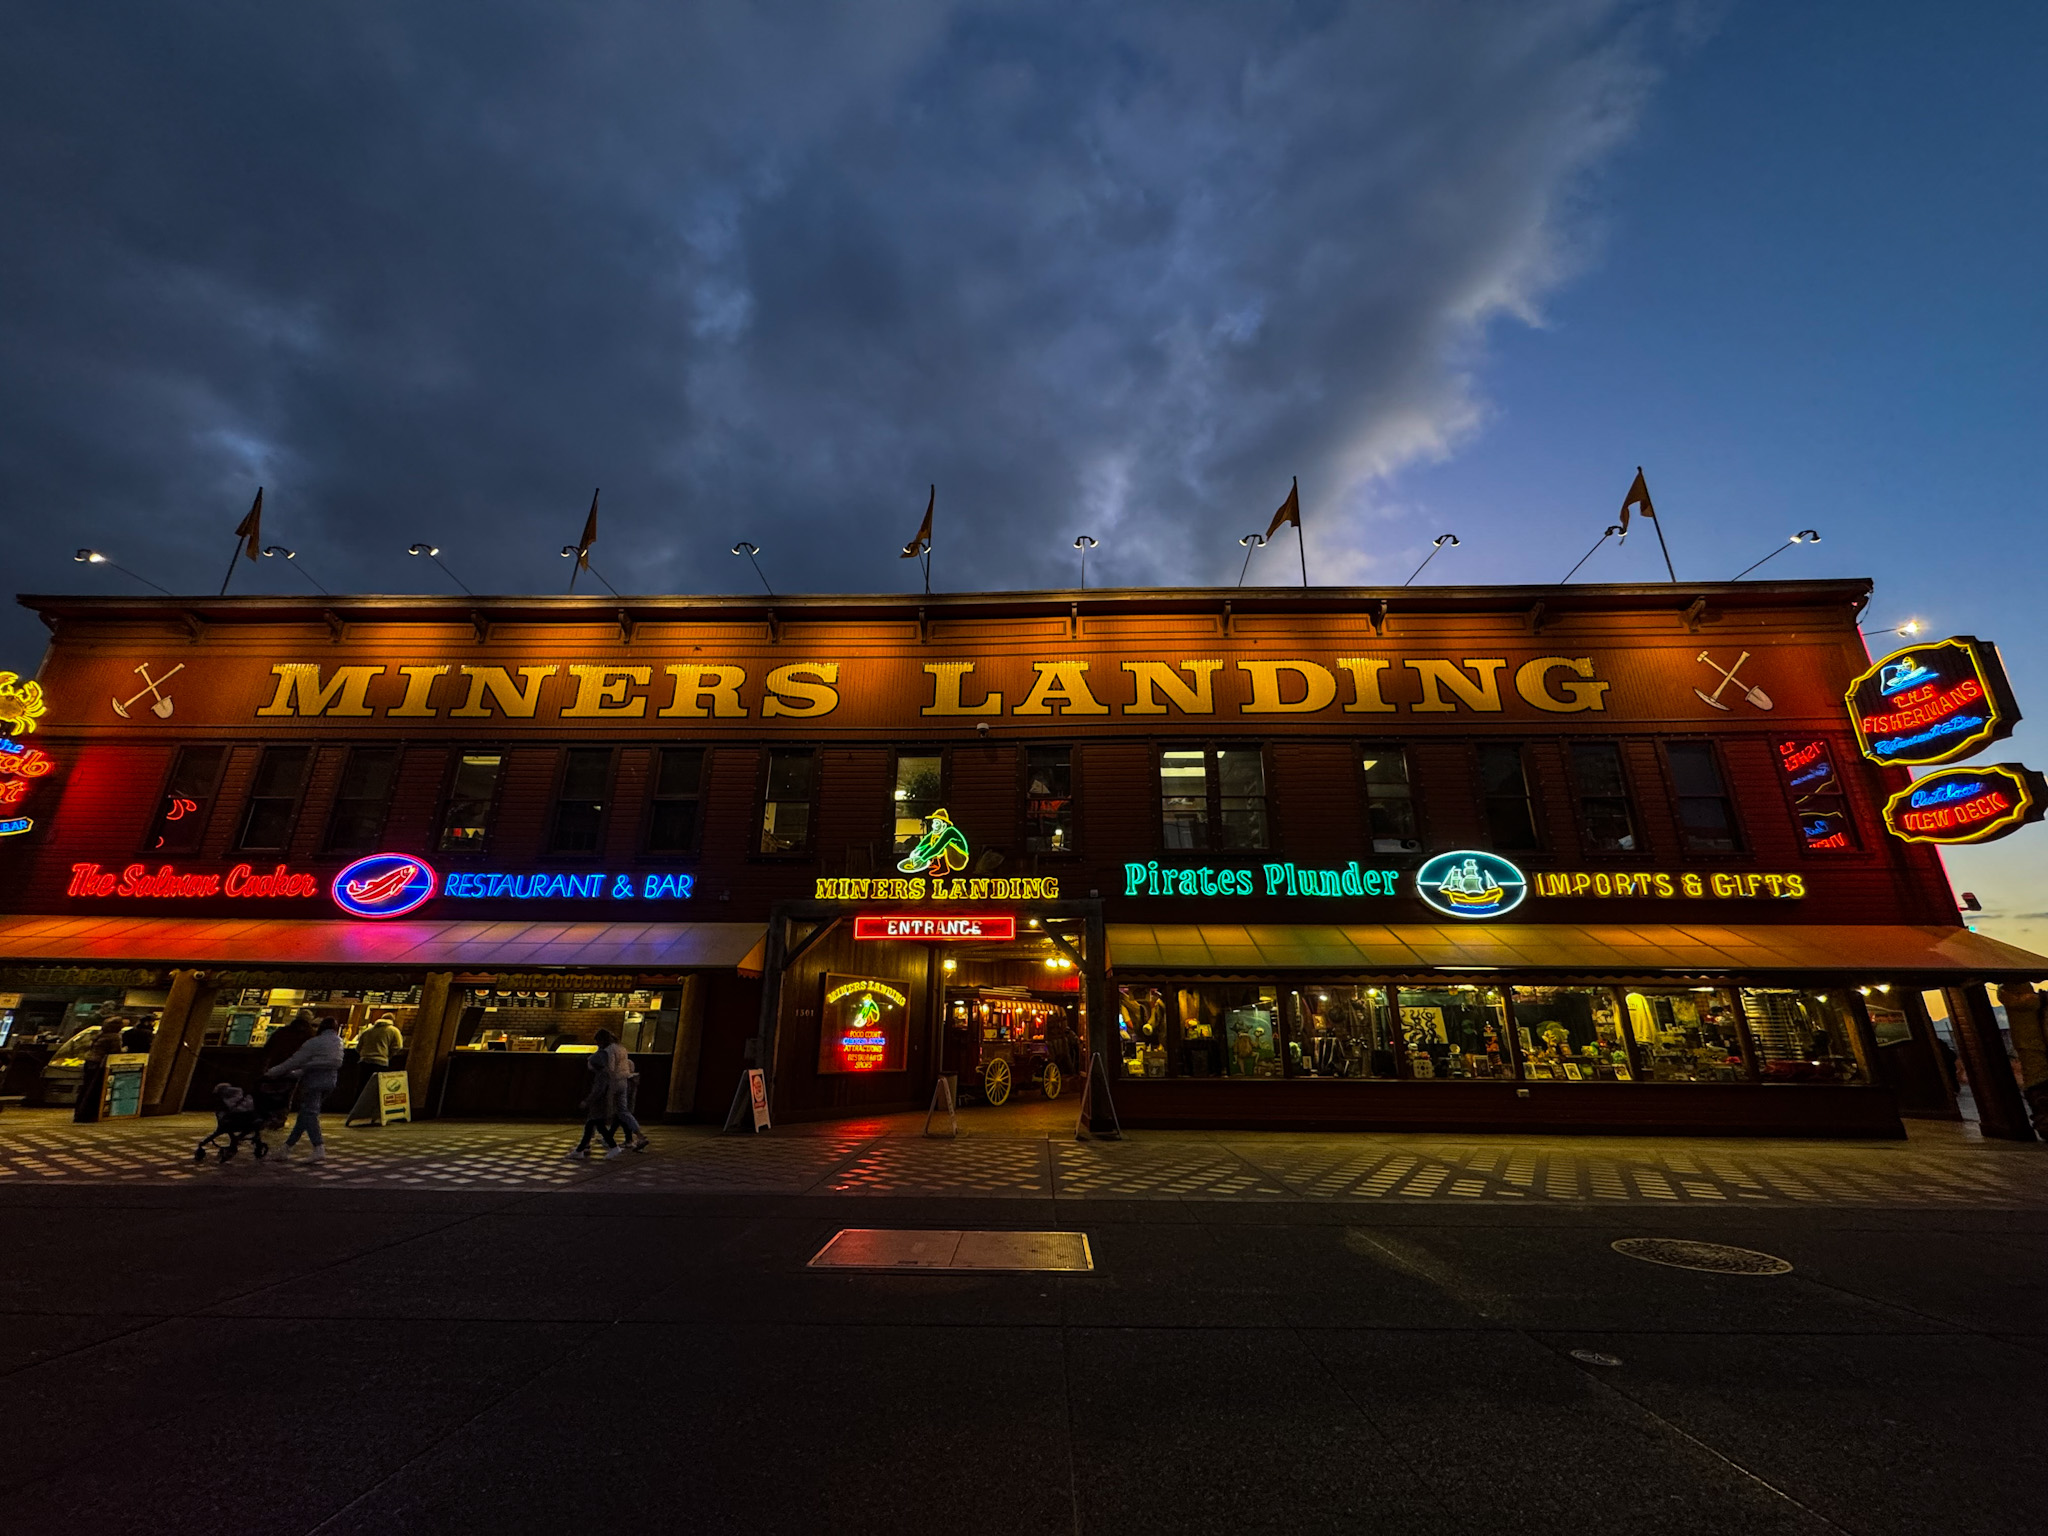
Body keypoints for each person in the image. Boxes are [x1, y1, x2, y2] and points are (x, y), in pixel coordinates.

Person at [265, 1018, 343, 1161]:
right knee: (305, 1116)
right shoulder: (338, 1042)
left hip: (313, 1082)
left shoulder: (314, 1042)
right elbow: (327, 1063)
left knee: (310, 1114)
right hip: (330, 1082)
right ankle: (286, 1148)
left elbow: (295, 1061)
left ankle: (318, 1147)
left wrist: (273, 1072)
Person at [567, 1030, 622, 1159]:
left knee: (597, 1125)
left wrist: (588, 1100)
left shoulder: (601, 1073)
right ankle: (580, 1150)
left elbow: (599, 1089)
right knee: (592, 1126)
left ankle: (613, 1147)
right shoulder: (606, 1065)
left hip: (599, 1103)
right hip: (601, 1101)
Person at [597, 1029, 649, 1155]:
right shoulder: (622, 1049)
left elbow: (610, 1068)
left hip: (613, 1083)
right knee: (623, 1111)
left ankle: (596, 1140)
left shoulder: (608, 1051)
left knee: (599, 1111)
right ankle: (640, 1136)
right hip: (624, 1082)